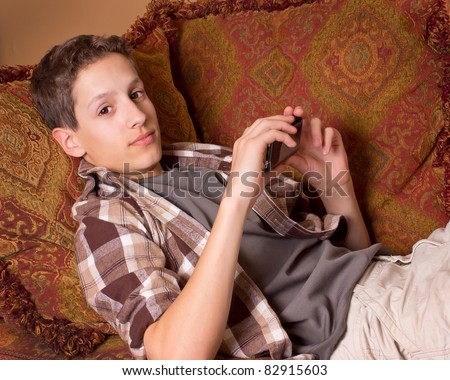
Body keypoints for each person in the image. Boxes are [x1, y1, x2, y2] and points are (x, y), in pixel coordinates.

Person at [30, 35, 449, 360]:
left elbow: (350, 259)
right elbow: (175, 359)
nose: (137, 115)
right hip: (358, 333)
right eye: (105, 109)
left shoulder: (202, 160)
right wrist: (237, 193)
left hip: (399, 272)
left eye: (135, 93)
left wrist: (333, 183)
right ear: (69, 141)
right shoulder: (107, 221)